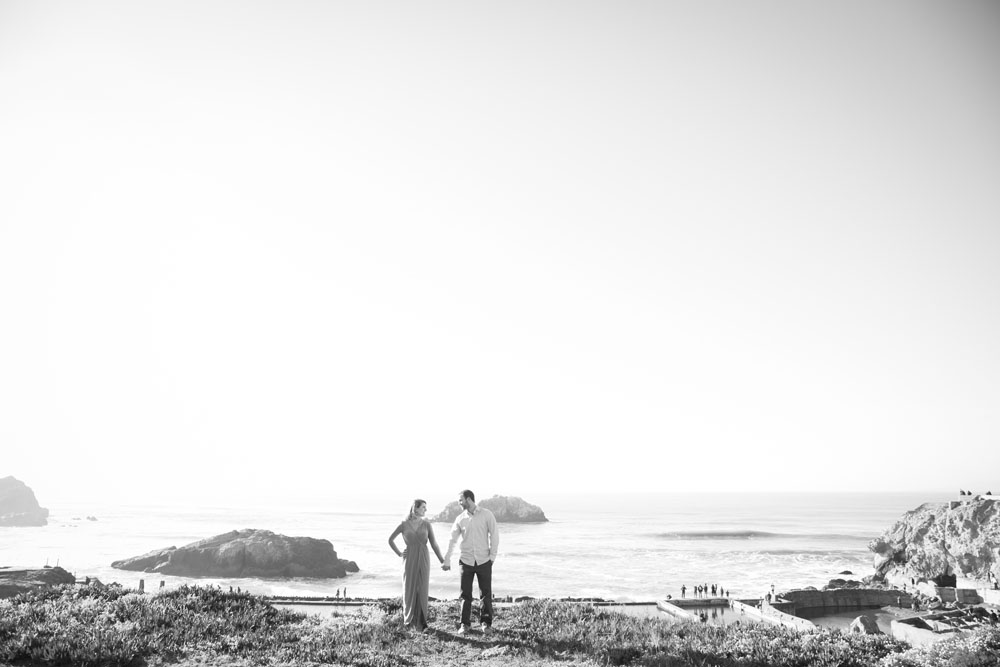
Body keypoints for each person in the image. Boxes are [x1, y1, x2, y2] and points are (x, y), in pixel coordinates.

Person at [442, 489, 499, 634]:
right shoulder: (460, 519)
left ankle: (486, 624)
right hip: (466, 561)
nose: (459, 503)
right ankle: (465, 625)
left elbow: (494, 535)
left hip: (484, 561)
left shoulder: (487, 515)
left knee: (485, 594)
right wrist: (447, 559)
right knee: (465, 595)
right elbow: (452, 540)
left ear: (468, 499)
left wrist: (492, 557)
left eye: (460, 500)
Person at [388, 498, 445, 632]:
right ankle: (409, 622)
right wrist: (399, 553)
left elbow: (434, 544)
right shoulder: (403, 524)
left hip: (424, 558)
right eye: (423, 507)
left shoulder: (427, 524)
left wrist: (442, 560)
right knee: (409, 587)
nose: (426, 510)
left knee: (422, 588)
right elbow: (390, 540)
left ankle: (422, 623)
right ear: (415, 508)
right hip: (409, 559)